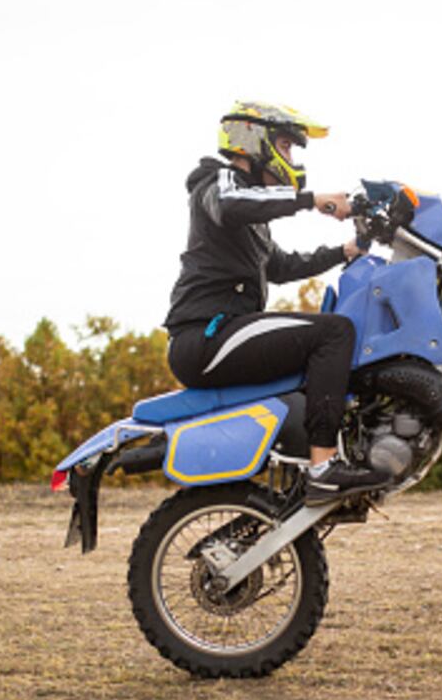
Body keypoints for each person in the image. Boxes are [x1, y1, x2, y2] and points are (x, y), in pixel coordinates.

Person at [163, 101, 390, 505]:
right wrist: (310, 199)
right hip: (206, 336)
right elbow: (233, 203)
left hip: (221, 334)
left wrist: (346, 251)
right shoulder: (215, 183)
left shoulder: (251, 217)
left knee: (323, 354)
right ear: (254, 141)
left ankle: (302, 471)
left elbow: (281, 265)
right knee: (335, 333)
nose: (290, 158)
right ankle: (323, 468)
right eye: (285, 146)